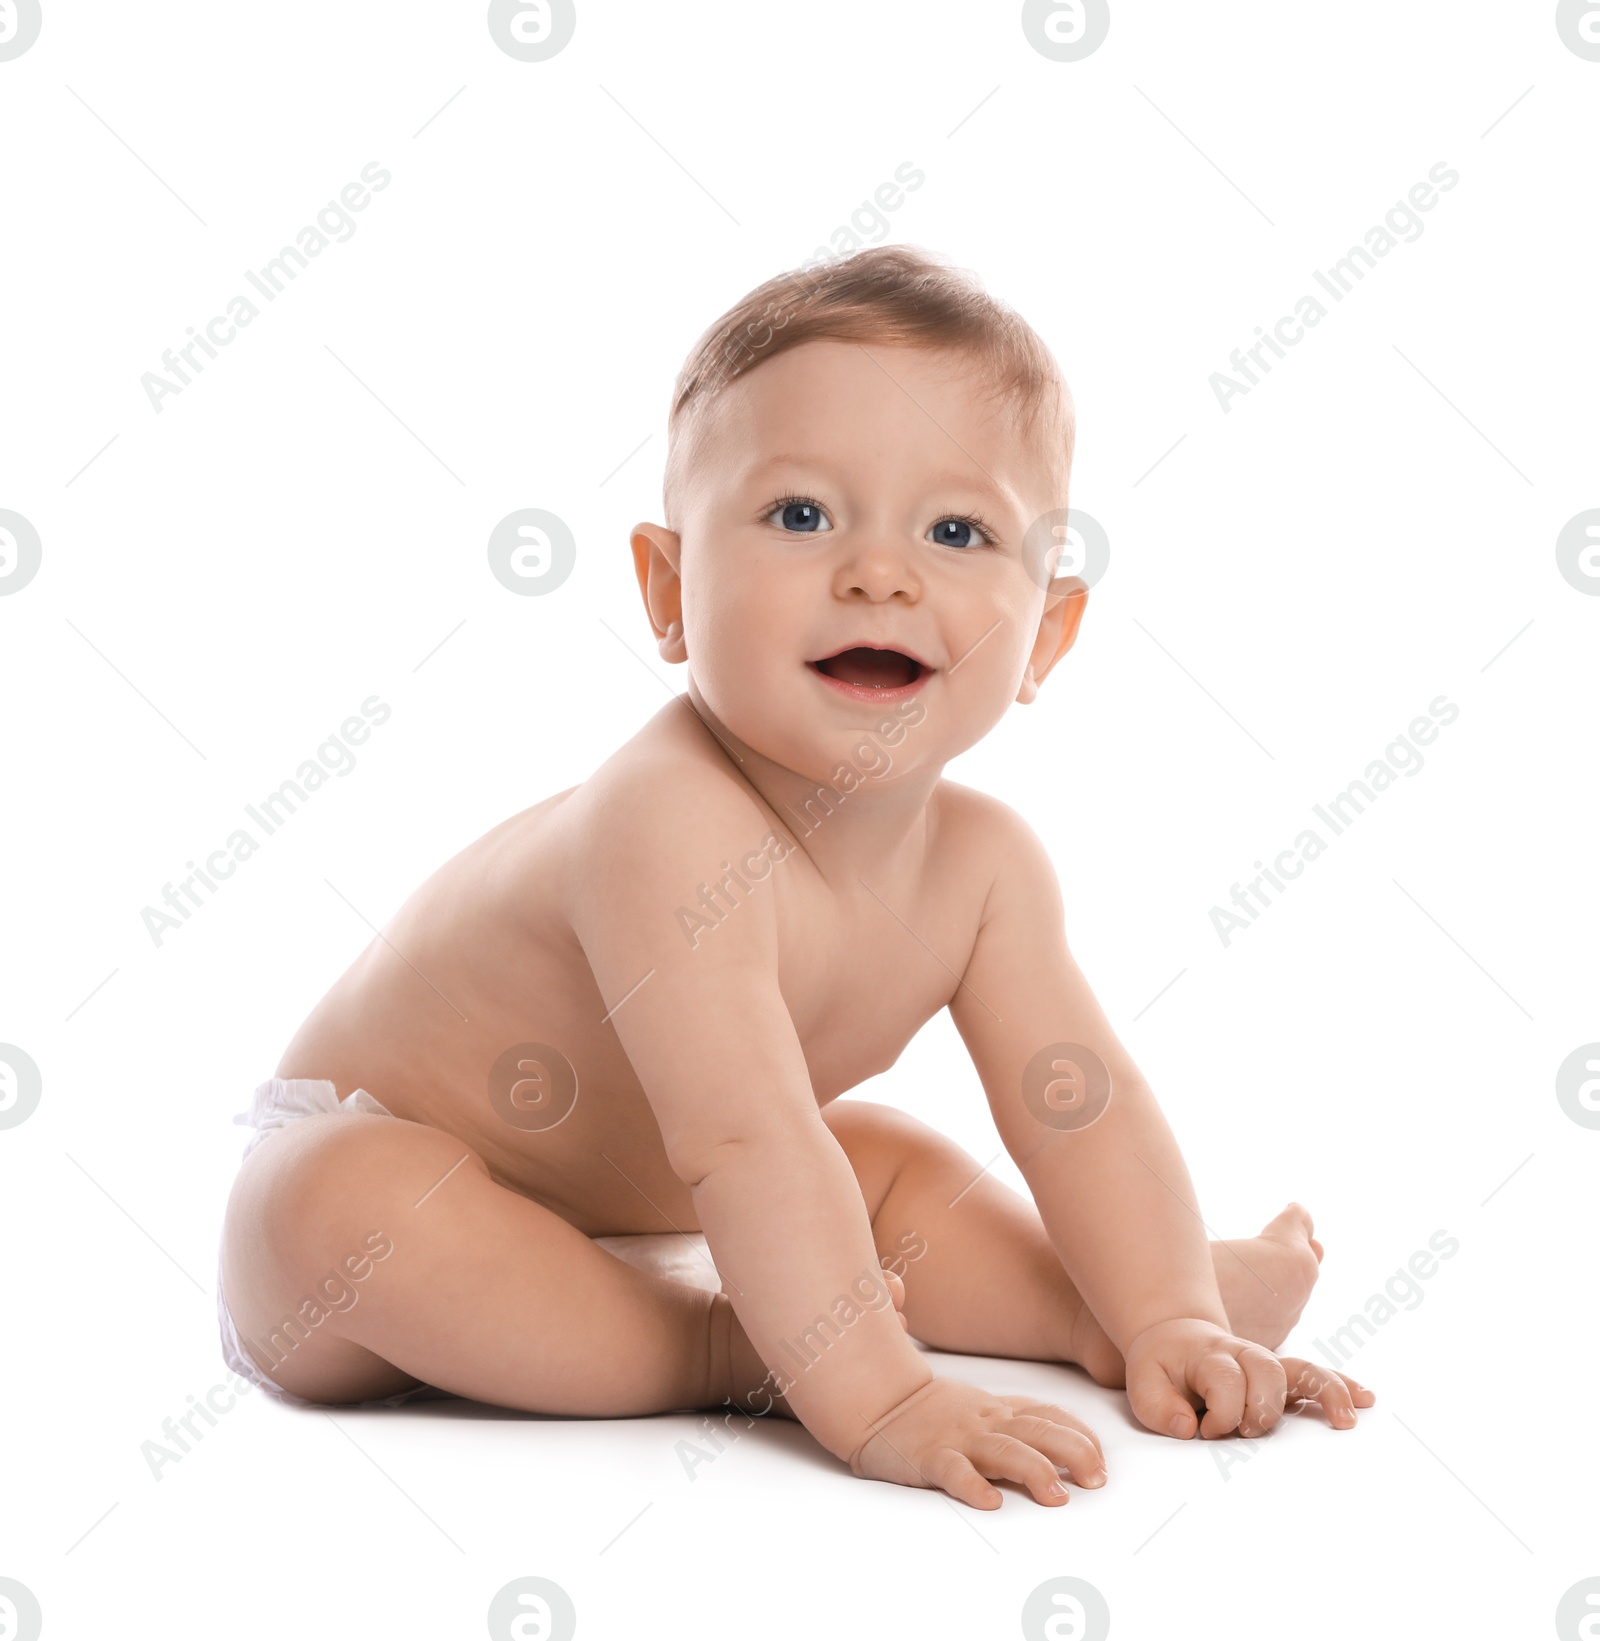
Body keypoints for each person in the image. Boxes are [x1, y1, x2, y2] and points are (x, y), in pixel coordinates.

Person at [218, 244, 1371, 1510]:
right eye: (801, 515)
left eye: (956, 529)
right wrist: (881, 1396)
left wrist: (1166, 1309)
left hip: (678, 1213)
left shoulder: (986, 866)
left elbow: (1078, 1105)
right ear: (668, 592)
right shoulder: (662, 823)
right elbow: (741, 1138)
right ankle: (730, 1342)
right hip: (378, 1244)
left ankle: (1106, 1308)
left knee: (873, 1163)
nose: (880, 571)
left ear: (1044, 633)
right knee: (346, 1200)